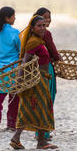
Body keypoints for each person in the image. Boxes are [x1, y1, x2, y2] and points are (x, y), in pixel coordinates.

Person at [10, 15, 58, 150]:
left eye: (44, 25)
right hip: (37, 81)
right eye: (39, 26)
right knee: (40, 107)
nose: (43, 28)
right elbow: (25, 62)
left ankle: (19, 138)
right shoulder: (33, 42)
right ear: (32, 28)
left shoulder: (38, 41)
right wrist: (19, 81)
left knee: (34, 108)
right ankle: (39, 141)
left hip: (41, 79)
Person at [33, 7, 62, 141]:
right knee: (48, 99)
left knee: (38, 100)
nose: (48, 20)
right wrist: (59, 59)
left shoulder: (30, 32)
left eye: (49, 17)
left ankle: (38, 131)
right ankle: (43, 133)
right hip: (46, 70)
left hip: (33, 70)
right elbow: (54, 53)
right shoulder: (46, 33)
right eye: (45, 17)